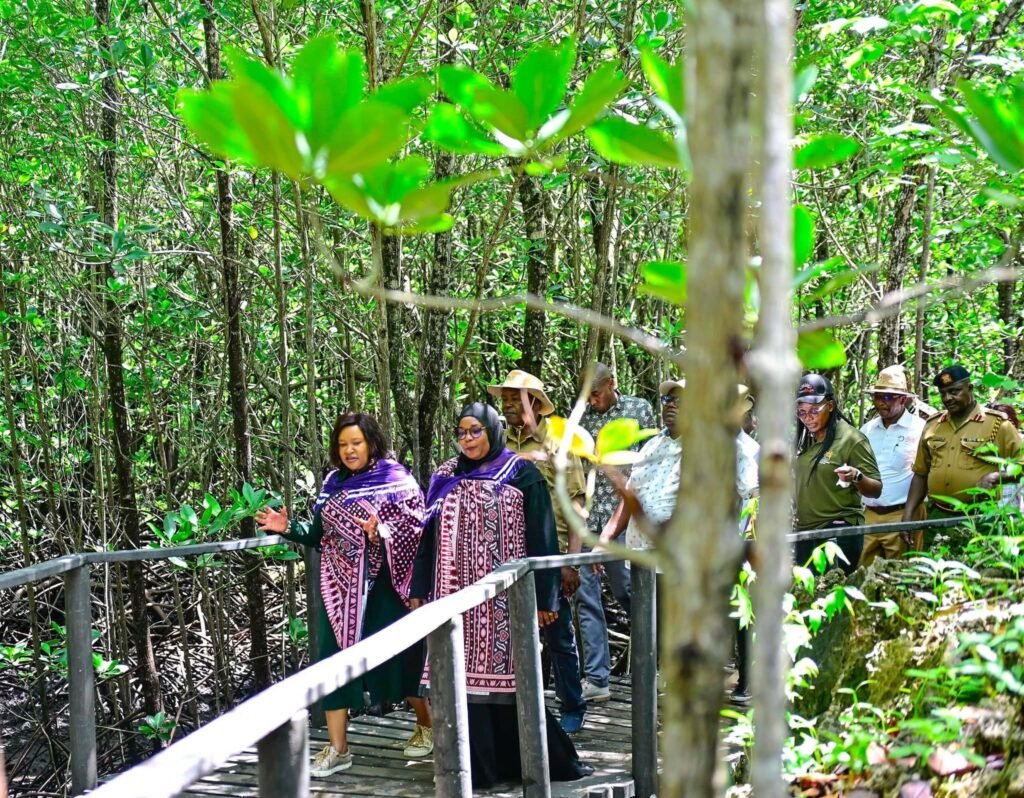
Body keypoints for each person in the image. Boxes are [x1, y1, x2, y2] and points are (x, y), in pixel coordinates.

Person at [410, 403, 591, 788]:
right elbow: (427, 535)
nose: (468, 439)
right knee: (457, 681)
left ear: (491, 430)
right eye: (461, 432)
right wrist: (418, 589)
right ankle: (475, 771)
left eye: (475, 431)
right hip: (451, 597)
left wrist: (546, 600)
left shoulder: (520, 473)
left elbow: (541, 538)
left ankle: (531, 762)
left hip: (502, 602)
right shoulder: (444, 475)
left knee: (508, 684)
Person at [255, 412, 432, 777]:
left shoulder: (396, 480)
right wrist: (289, 527)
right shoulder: (334, 482)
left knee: (401, 660)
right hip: (339, 591)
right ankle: (339, 749)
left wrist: (380, 533)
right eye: (343, 444)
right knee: (332, 662)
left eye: (356, 443)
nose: (349, 451)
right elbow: (319, 534)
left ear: (371, 443)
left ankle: (427, 725)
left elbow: (417, 529)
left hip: (386, 588)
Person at [489, 370, 588, 734]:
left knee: (558, 634)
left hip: (554, 551)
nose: (509, 405)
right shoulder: (502, 444)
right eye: (506, 399)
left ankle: (573, 707)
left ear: (535, 402)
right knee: (516, 635)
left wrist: (570, 560)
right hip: (513, 555)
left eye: (516, 398)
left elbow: (576, 501)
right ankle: (527, 710)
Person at [577, 363, 656, 702]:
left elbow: (652, 463)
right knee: (585, 598)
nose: (592, 401)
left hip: (626, 523)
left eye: (595, 393)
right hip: (587, 522)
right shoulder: (581, 420)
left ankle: (655, 663)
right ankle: (597, 679)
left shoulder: (640, 409)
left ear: (611, 384)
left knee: (630, 591)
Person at [903, 365, 1022, 523]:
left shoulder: (997, 423)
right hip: (937, 514)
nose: (947, 398)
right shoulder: (933, 425)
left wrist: (996, 477)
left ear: (970, 388)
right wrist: (908, 513)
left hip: (979, 516)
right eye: (943, 393)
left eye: (954, 391)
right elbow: (920, 474)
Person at [794, 374, 882, 574]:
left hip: (838, 531)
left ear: (831, 406)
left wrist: (856, 476)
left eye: (815, 410)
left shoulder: (852, 439)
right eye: (802, 412)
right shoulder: (805, 439)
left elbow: (876, 489)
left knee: (833, 595)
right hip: (806, 532)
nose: (808, 417)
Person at [859, 366, 927, 566]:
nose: (881, 403)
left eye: (888, 397)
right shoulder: (868, 429)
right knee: (864, 574)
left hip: (903, 514)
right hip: (869, 515)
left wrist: (909, 515)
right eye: (877, 397)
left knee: (901, 576)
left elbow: (925, 472)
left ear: (903, 399)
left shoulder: (920, 429)